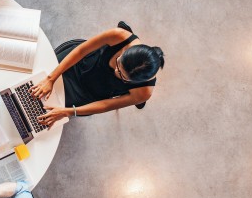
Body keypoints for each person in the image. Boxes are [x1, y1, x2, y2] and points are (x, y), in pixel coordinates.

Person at [31, 22, 164, 126]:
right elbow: (81, 51)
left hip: (89, 93)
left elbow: (106, 105)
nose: (116, 71)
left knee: (43, 112)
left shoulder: (144, 92)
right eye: (119, 63)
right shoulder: (119, 36)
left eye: (123, 76)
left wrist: (67, 112)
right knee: (37, 80)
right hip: (77, 63)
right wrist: (51, 78)